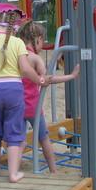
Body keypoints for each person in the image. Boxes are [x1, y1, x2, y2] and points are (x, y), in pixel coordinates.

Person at [0, 3, 42, 183]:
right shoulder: (18, 42)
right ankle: (13, 173)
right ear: (14, 24)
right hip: (13, 88)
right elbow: (26, 70)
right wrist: (39, 80)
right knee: (14, 130)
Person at [16, 20, 78, 173]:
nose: (42, 45)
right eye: (42, 41)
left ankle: (14, 169)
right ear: (36, 39)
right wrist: (71, 76)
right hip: (33, 106)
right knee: (44, 139)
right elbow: (48, 79)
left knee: (19, 141)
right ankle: (53, 170)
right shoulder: (35, 58)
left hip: (16, 105)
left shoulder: (16, 55)